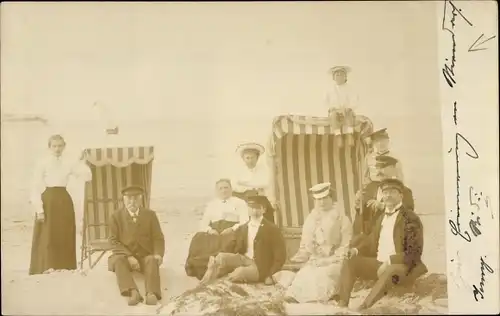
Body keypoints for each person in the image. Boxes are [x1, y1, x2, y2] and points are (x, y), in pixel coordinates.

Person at [336, 178, 428, 311]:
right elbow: (371, 240)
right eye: (385, 193)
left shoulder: (410, 218)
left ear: (400, 195)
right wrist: (355, 250)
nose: (388, 195)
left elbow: (414, 253)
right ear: (382, 196)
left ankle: (363, 308)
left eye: (392, 192)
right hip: (379, 264)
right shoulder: (381, 217)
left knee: (391, 269)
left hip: (404, 268)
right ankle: (342, 304)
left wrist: (390, 261)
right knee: (350, 261)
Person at [29, 134, 92, 275]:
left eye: (60, 146)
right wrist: (39, 209)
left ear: (64, 146)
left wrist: (82, 162)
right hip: (48, 200)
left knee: (64, 232)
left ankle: (64, 266)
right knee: (48, 234)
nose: (57, 149)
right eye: (54, 146)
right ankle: (46, 266)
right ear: (49, 147)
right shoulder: (42, 163)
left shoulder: (69, 162)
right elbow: (35, 186)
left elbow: (87, 175)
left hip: (64, 199)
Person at [284, 183, 352, 303]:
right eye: (318, 199)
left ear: (332, 198)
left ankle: (318, 298)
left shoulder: (342, 219)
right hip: (316, 259)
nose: (322, 202)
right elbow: (306, 243)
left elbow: (346, 245)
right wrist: (310, 254)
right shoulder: (311, 219)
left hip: (335, 260)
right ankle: (296, 297)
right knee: (304, 274)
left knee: (325, 274)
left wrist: (329, 259)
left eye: (325, 198)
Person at [200, 195, 287, 285]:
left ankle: (222, 284)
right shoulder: (243, 227)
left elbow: (281, 255)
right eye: (251, 208)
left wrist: (270, 275)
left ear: (264, 210)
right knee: (220, 257)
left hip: (260, 267)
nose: (254, 210)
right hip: (244, 259)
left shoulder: (272, 229)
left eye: (257, 208)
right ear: (248, 210)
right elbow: (236, 247)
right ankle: (205, 283)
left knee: (239, 273)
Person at [107, 185, 165, 306]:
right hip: (124, 257)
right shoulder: (116, 216)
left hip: (144, 256)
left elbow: (158, 237)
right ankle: (133, 292)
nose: (132, 202)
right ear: (124, 199)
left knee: (151, 260)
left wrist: (158, 254)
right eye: (129, 199)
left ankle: (151, 293)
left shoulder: (150, 215)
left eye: (135, 199)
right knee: (118, 261)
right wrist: (128, 256)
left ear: (141, 199)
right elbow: (113, 241)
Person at [185, 179, 249, 280]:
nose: (224, 191)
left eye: (226, 188)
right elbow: (204, 222)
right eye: (220, 188)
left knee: (229, 242)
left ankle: (220, 265)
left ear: (231, 189)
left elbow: (245, 221)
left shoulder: (239, 203)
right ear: (216, 191)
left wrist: (232, 229)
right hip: (214, 230)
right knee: (198, 238)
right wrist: (209, 230)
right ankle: (202, 267)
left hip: (232, 230)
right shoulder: (212, 204)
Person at [352, 155, 414, 238]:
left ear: (393, 170)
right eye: (377, 167)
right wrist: (358, 204)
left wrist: (384, 207)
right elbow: (362, 215)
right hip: (370, 239)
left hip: (391, 239)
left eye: (383, 167)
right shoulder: (370, 187)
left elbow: (408, 216)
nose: (379, 171)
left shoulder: (404, 191)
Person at [232, 142, 276, 224]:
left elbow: (265, 183)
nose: (250, 160)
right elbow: (235, 186)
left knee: (267, 217)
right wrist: (253, 186)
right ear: (243, 159)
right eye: (247, 158)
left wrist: (244, 183)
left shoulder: (263, 169)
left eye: (252, 157)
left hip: (260, 199)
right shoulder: (238, 171)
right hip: (243, 200)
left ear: (257, 158)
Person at [325, 65, 360, 147]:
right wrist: (331, 108)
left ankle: (349, 134)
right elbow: (326, 101)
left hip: (346, 110)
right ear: (333, 77)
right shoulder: (330, 90)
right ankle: (338, 136)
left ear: (345, 76)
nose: (339, 76)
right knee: (333, 116)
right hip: (335, 110)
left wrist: (349, 107)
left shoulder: (350, 88)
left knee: (349, 114)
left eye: (341, 74)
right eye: (337, 75)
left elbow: (354, 100)